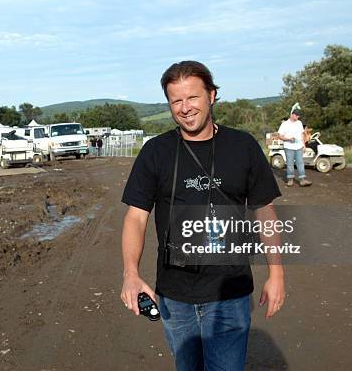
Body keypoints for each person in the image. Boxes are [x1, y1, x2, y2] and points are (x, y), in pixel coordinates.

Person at [120, 61, 285, 371]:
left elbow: (265, 211)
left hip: (230, 292)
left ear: (212, 95)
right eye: (176, 101)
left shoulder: (243, 146)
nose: (185, 108)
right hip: (174, 296)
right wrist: (131, 272)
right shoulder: (156, 151)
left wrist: (276, 275)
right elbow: (136, 217)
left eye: (192, 97)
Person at [278, 109, 312, 187]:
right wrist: (289, 139)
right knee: (290, 164)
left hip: (299, 146)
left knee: (300, 163)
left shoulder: (299, 123)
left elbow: (302, 134)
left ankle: (303, 180)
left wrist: (304, 145)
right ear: (292, 114)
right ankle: (290, 180)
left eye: (298, 116)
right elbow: (279, 136)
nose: (298, 117)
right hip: (289, 147)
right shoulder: (284, 124)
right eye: (297, 115)